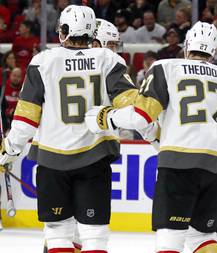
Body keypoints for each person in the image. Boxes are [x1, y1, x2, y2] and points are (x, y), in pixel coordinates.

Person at [85, 21, 217, 253]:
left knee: (170, 240)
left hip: (179, 163)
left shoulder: (165, 67)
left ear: (187, 44)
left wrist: (106, 118)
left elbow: (141, 118)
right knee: (204, 238)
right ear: (213, 50)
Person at [0, 5, 136, 253]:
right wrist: (109, 117)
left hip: (52, 161)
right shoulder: (109, 59)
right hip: (95, 159)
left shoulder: (42, 62)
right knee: (94, 236)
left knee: (57, 234)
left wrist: (9, 149)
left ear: (63, 30)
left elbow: (27, 119)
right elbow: (135, 110)